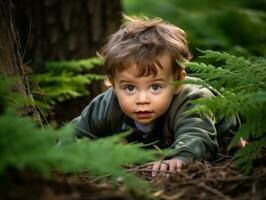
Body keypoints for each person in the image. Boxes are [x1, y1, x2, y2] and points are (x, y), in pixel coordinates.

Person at [72, 16, 239, 177]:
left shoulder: (192, 99)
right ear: (113, 84)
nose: (142, 99)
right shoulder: (107, 104)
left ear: (178, 81)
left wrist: (180, 157)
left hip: (230, 133)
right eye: (130, 88)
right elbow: (75, 131)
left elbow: (196, 135)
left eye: (155, 87)